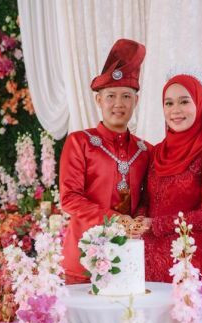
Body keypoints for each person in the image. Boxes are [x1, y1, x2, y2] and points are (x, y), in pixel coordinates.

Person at [59, 38, 152, 284]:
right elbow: (70, 198)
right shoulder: (80, 142)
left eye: (126, 96)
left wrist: (138, 220)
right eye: (111, 96)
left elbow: (147, 199)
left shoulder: (146, 151)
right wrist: (114, 219)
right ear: (99, 100)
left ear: (136, 101)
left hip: (127, 259)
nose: (118, 104)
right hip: (83, 259)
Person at [139, 73, 202, 281]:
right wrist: (139, 220)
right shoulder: (156, 152)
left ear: (200, 104)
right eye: (169, 103)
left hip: (190, 264)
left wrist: (156, 224)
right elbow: (147, 200)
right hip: (150, 264)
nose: (175, 110)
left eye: (184, 101)